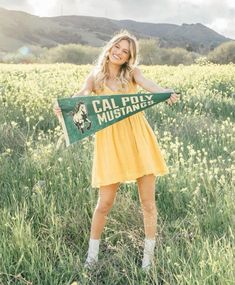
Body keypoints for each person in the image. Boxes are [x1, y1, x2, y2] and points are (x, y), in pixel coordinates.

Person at [54, 30, 179, 272]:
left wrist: (165, 92)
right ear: (110, 47)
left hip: (138, 138)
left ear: (129, 57)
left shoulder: (132, 73)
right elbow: (80, 96)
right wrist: (64, 107)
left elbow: (150, 85)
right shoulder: (95, 77)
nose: (119, 53)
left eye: (126, 52)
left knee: (148, 204)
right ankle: (92, 258)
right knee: (104, 203)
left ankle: (147, 261)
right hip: (110, 143)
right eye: (117, 48)